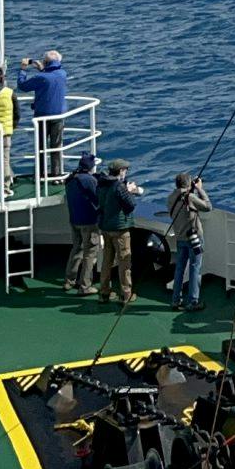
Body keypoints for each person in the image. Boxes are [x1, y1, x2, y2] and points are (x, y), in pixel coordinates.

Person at [17, 49, 69, 184]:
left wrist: (23, 69)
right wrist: (43, 69)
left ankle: (40, 174)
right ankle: (56, 176)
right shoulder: (63, 74)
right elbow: (50, 78)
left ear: (46, 62)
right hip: (59, 115)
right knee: (56, 147)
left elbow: (22, 86)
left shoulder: (40, 77)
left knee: (40, 147)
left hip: (42, 116)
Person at [96, 159, 144, 304]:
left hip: (106, 227)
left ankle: (104, 292)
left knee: (107, 261)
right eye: (125, 170)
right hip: (119, 229)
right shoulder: (119, 187)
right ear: (121, 171)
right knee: (124, 262)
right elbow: (131, 205)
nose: (126, 173)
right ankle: (126, 294)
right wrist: (129, 191)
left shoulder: (102, 184)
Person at [165, 171, 211, 311]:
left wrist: (190, 190)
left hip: (180, 237)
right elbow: (208, 206)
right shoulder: (190, 197)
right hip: (194, 238)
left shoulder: (171, 198)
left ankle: (175, 300)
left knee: (179, 268)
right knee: (195, 268)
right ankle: (193, 301)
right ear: (188, 184)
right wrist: (199, 189)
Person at [64, 153, 105, 295]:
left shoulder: (70, 179)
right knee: (90, 252)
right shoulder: (89, 180)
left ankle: (69, 280)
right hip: (89, 221)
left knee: (77, 249)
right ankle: (85, 286)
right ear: (91, 167)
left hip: (74, 220)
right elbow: (98, 197)